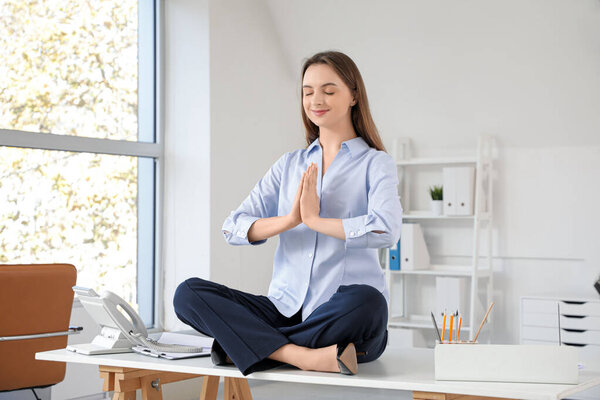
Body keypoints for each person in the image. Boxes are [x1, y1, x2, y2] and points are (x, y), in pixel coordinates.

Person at [173, 50, 402, 376]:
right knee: (188, 294)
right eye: (308, 92)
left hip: (341, 314)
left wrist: (316, 221)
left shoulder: (376, 163)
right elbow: (232, 227)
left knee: (370, 302)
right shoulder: (289, 164)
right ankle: (304, 356)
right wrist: (290, 220)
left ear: (353, 95)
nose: (316, 100)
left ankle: (250, 345)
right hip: (282, 308)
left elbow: (386, 230)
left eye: (328, 90)